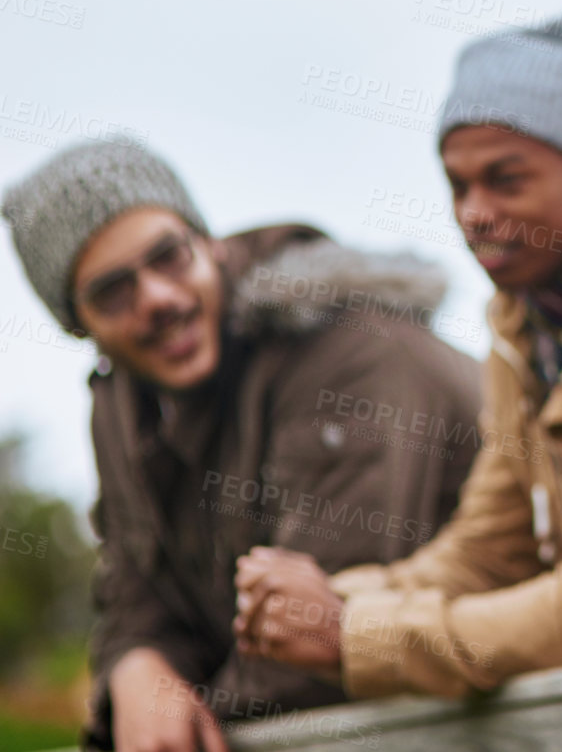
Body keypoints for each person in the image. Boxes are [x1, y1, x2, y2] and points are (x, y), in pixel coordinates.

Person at [232, 17, 562, 698]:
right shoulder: (525, 319)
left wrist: (354, 634)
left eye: (506, 179)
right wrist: (330, 598)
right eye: (459, 186)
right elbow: (490, 549)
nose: (475, 213)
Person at [1, 137, 481, 752]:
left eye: (168, 256)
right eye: (113, 290)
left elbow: (320, 634)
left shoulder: (351, 353)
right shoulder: (123, 402)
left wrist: (175, 730)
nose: (158, 298)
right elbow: (136, 591)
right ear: (79, 324)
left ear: (210, 244)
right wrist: (138, 668)